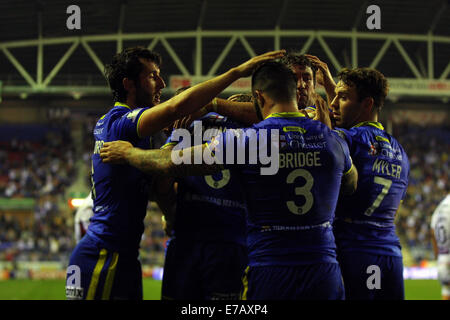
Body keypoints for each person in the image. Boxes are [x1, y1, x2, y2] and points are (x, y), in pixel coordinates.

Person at [100, 61, 358, 300]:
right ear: (295, 93)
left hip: (269, 270)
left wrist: (129, 152)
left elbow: (170, 164)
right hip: (325, 272)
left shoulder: (246, 141)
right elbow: (351, 184)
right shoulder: (334, 141)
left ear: (258, 97)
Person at [65, 46, 285, 300]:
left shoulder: (141, 138)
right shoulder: (118, 122)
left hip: (126, 257)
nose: (161, 82)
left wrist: (171, 213)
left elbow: (159, 180)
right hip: (103, 254)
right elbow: (173, 109)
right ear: (129, 84)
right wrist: (237, 72)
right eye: (152, 76)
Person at [329, 67, 410, 300]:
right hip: (390, 254)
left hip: (353, 251)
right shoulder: (401, 152)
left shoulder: (346, 139)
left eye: (342, 97)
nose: (333, 103)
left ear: (367, 104)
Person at [159, 93, 248, 300]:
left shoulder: (188, 125)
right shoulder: (254, 133)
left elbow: (162, 180)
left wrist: (169, 215)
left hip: (185, 241)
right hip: (231, 243)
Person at [430, 194, 450, 300]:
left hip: (443, 258)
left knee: (446, 291)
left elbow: (432, 231)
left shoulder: (440, 207)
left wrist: (438, 255)